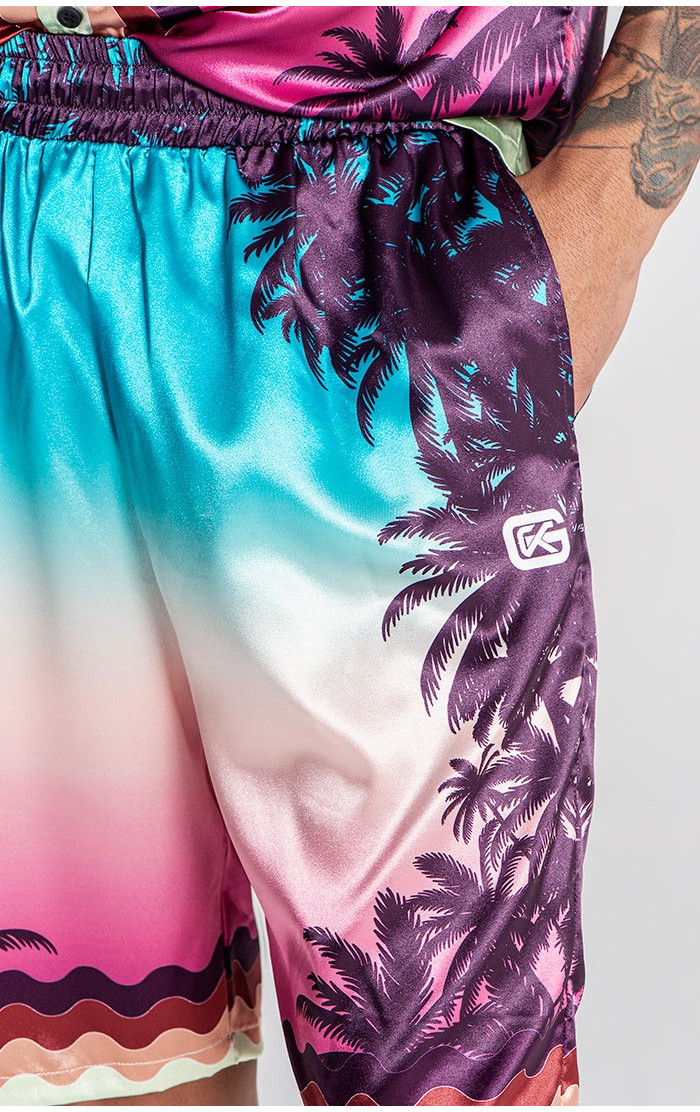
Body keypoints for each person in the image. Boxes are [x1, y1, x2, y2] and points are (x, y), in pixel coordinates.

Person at [0, 5, 696, 1107]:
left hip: (366, 223)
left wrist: (615, 203)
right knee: (87, 1051)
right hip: (18, 191)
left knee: (440, 1060)